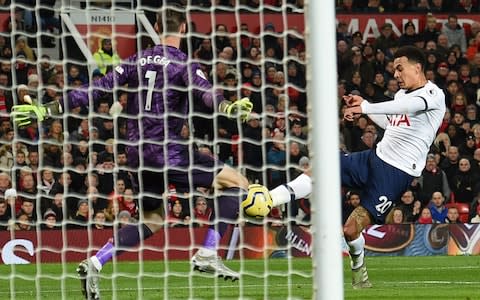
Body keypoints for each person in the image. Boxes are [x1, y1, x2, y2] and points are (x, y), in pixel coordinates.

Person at [11, 5, 256, 299]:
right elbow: (206, 94)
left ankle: (95, 262)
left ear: (155, 25)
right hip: (168, 150)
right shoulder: (183, 63)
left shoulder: (135, 60)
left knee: (152, 219)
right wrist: (228, 107)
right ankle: (208, 251)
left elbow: (94, 89)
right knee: (237, 183)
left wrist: (46, 109)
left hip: (138, 155)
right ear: (183, 29)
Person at [268, 46, 446, 289]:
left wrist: (365, 107)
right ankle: (269, 199)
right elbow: (394, 121)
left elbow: (407, 108)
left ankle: (358, 269)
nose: (395, 74)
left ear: (417, 67)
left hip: (396, 174)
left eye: (399, 68)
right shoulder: (401, 95)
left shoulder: (434, 95)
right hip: (373, 158)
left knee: (351, 229)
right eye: (394, 69)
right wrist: (364, 106)